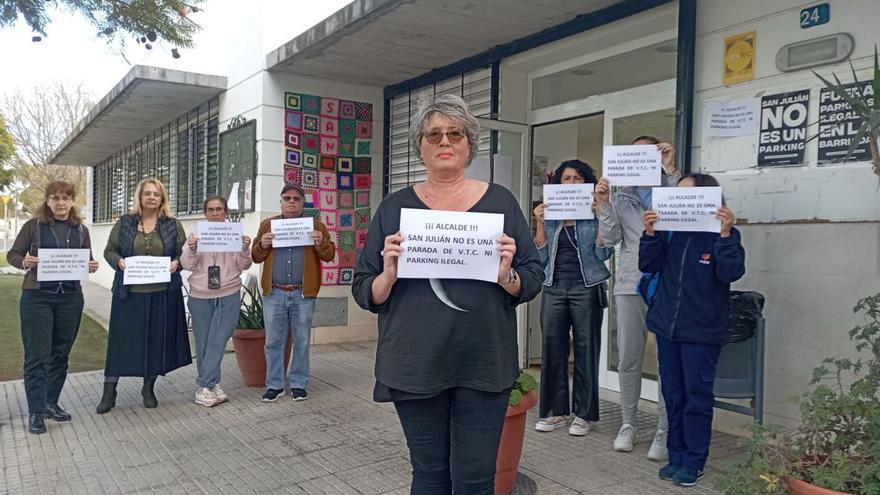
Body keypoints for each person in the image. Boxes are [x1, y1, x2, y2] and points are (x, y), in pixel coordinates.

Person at [352, 94, 543, 494]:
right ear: (419, 145)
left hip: (482, 361)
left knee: (475, 478)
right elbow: (364, 288)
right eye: (434, 134)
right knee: (429, 475)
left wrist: (507, 276)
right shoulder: (394, 208)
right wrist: (388, 274)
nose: (445, 141)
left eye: (455, 133)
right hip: (415, 362)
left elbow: (532, 275)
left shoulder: (501, 203)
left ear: (469, 143)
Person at [639, 173, 745, 487]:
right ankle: (677, 457)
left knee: (696, 397)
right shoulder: (670, 232)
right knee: (673, 395)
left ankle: (694, 461)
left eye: (687, 193)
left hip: (701, 332)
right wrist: (650, 232)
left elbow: (731, 272)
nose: (678, 198)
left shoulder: (723, 234)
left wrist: (725, 236)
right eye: (677, 193)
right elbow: (649, 264)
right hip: (667, 329)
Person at [595, 136, 678, 459]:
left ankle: (664, 429)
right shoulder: (621, 196)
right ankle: (628, 424)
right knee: (629, 357)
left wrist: (670, 169)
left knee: (666, 360)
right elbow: (612, 238)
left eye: (648, 152)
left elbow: (683, 220)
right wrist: (603, 202)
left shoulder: (672, 187)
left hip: (669, 285)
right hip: (631, 283)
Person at [6, 181, 99, 434]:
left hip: (70, 298)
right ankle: (35, 411)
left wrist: (92, 265)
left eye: (66, 198)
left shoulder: (80, 230)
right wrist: (24, 261)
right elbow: (12, 255)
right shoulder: (33, 226)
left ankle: (50, 403)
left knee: (60, 354)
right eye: (55, 198)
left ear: (72, 202)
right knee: (37, 356)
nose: (61, 203)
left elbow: (86, 259)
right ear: (47, 201)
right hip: (38, 298)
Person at [97, 178, 191, 414]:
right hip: (128, 294)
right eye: (147, 193)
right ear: (139, 197)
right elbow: (109, 250)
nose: (151, 197)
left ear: (162, 199)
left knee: (154, 340)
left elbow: (184, 253)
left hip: (161, 294)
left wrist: (177, 263)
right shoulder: (125, 223)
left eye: (156, 194)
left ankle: (148, 389)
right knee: (121, 342)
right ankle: (109, 391)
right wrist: (118, 261)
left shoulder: (172, 224)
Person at [532, 160, 612, 436]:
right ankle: (555, 413)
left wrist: (601, 214)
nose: (572, 183)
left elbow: (604, 254)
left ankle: (584, 414)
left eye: (578, 178)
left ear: (586, 182)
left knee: (586, 349)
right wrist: (540, 222)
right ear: (558, 184)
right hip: (553, 285)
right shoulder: (552, 213)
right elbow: (540, 256)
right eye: (567, 178)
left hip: (586, 286)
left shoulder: (593, 212)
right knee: (552, 348)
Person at [251, 183, 335, 402]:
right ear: (280, 202)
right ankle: (275, 385)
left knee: (302, 339)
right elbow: (256, 256)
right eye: (287, 198)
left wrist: (320, 242)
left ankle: (299, 383)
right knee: (273, 341)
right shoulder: (267, 225)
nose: (291, 202)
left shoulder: (315, 225)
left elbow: (329, 255)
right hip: (274, 293)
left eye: (296, 198)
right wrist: (262, 243)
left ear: (302, 203)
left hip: (302, 294)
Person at [180, 196, 252, 407]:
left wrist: (244, 249)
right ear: (205, 213)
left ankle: (205, 384)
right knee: (204, 342)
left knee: (219, 339)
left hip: (228, 292)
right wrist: (192, 249)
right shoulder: (195, 236)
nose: (214, 213)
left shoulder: (234, 235)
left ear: (225, 212)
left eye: (218, 209)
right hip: (200, 295)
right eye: (210, 210)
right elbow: (186, 264)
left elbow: (244, 265)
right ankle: (210, 385)